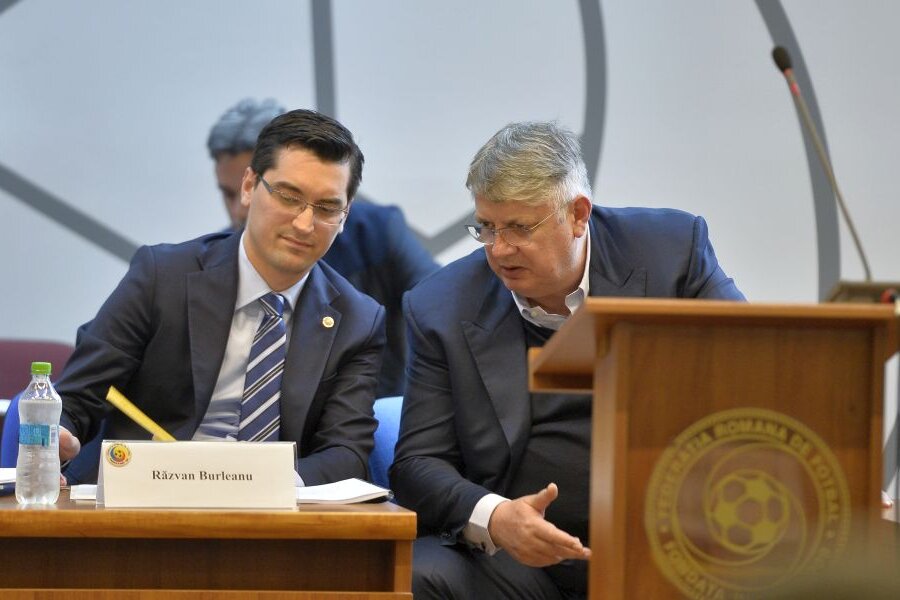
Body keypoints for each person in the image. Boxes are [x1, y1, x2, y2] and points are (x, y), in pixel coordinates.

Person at [389, 121, 745, 599]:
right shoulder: (442, 306)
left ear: (578, 215)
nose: (499, 249)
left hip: (674, 538)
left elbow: (753, 369)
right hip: (521, 563)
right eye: (487, 227)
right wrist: (496, 517)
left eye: (519, 228)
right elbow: (418, 462)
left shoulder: (672, 253)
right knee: (418, 575)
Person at [56, 109, 385, 486]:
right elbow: (78, 397)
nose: (303, 224)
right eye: (288, 196)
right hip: (146, 494)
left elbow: (347, 452)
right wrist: (59, 437)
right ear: (249, 186)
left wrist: (265, 485)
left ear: (345, 216)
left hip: (276, 508)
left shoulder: (358, 320)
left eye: (326, 208)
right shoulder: (163, 276)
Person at [207, 99, 437, 396]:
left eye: (288, 195)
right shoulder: (208, 264)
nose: (239, 209)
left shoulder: (378, 232)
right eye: (229, 194)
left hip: (373, 406)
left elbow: (439, 307)